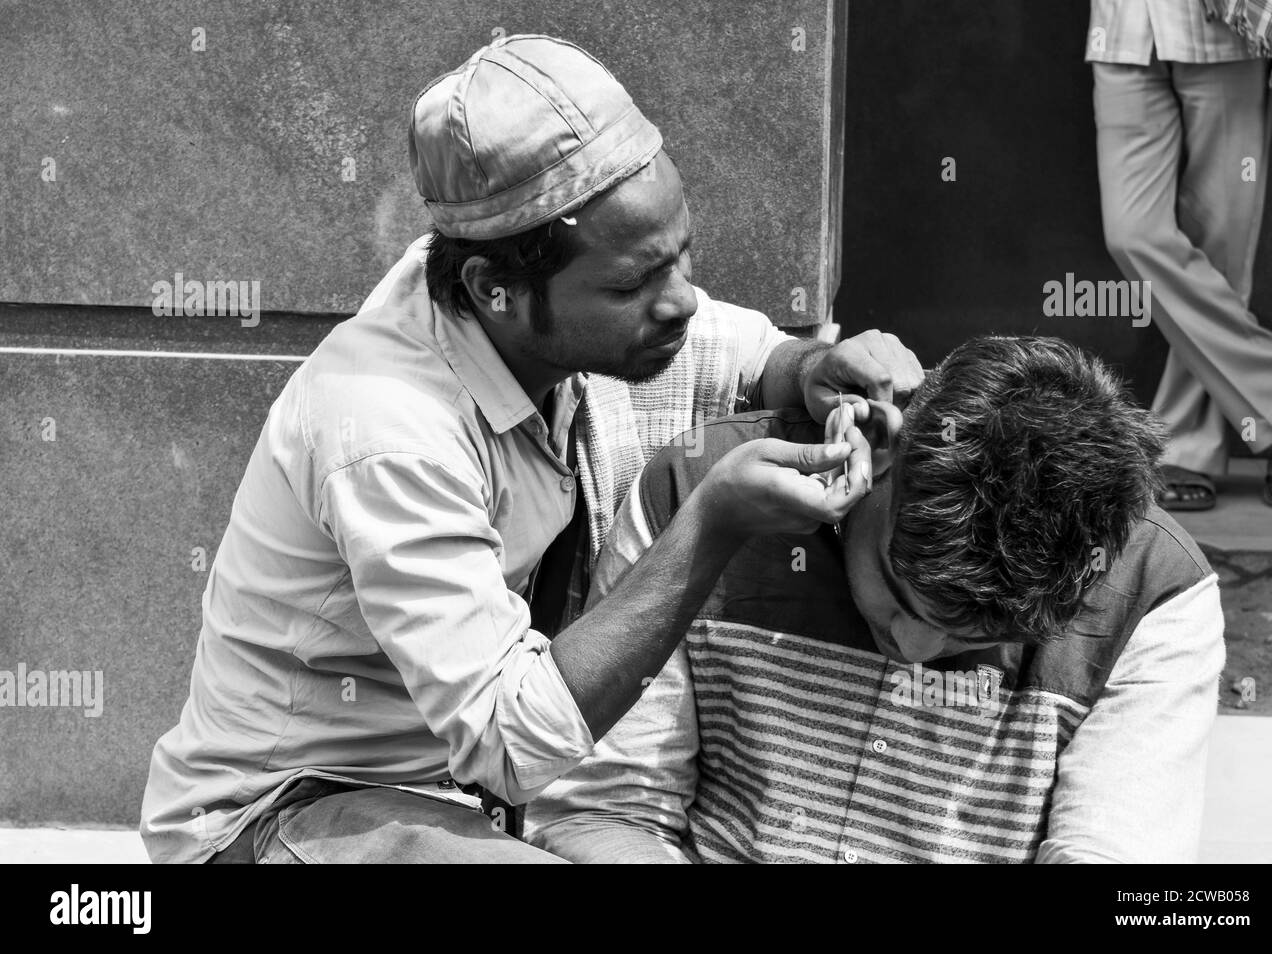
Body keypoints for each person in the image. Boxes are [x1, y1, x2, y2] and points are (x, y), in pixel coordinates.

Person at [138, 33, 923, 863]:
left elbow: (733, 353)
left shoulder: (530, 312)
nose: (682, 301)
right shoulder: (385, 427)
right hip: (277, 814)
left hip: (455, 805)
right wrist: (711, 524)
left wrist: (810, 369)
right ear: (494, 289)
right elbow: (513, 743)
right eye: (633, 284)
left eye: (681, 255)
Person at [524, 336, 1226, 863]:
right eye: (897, 594)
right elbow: (602, 815)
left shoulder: (1154, 595)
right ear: (872, 456)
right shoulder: (705, 494)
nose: (915, 652)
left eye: (972, 635)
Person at [1089, 0, 1272, 510]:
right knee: (1131, 233)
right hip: (1123, 30)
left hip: (1226, 34)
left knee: (1221, 254)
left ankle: (1188, 444)